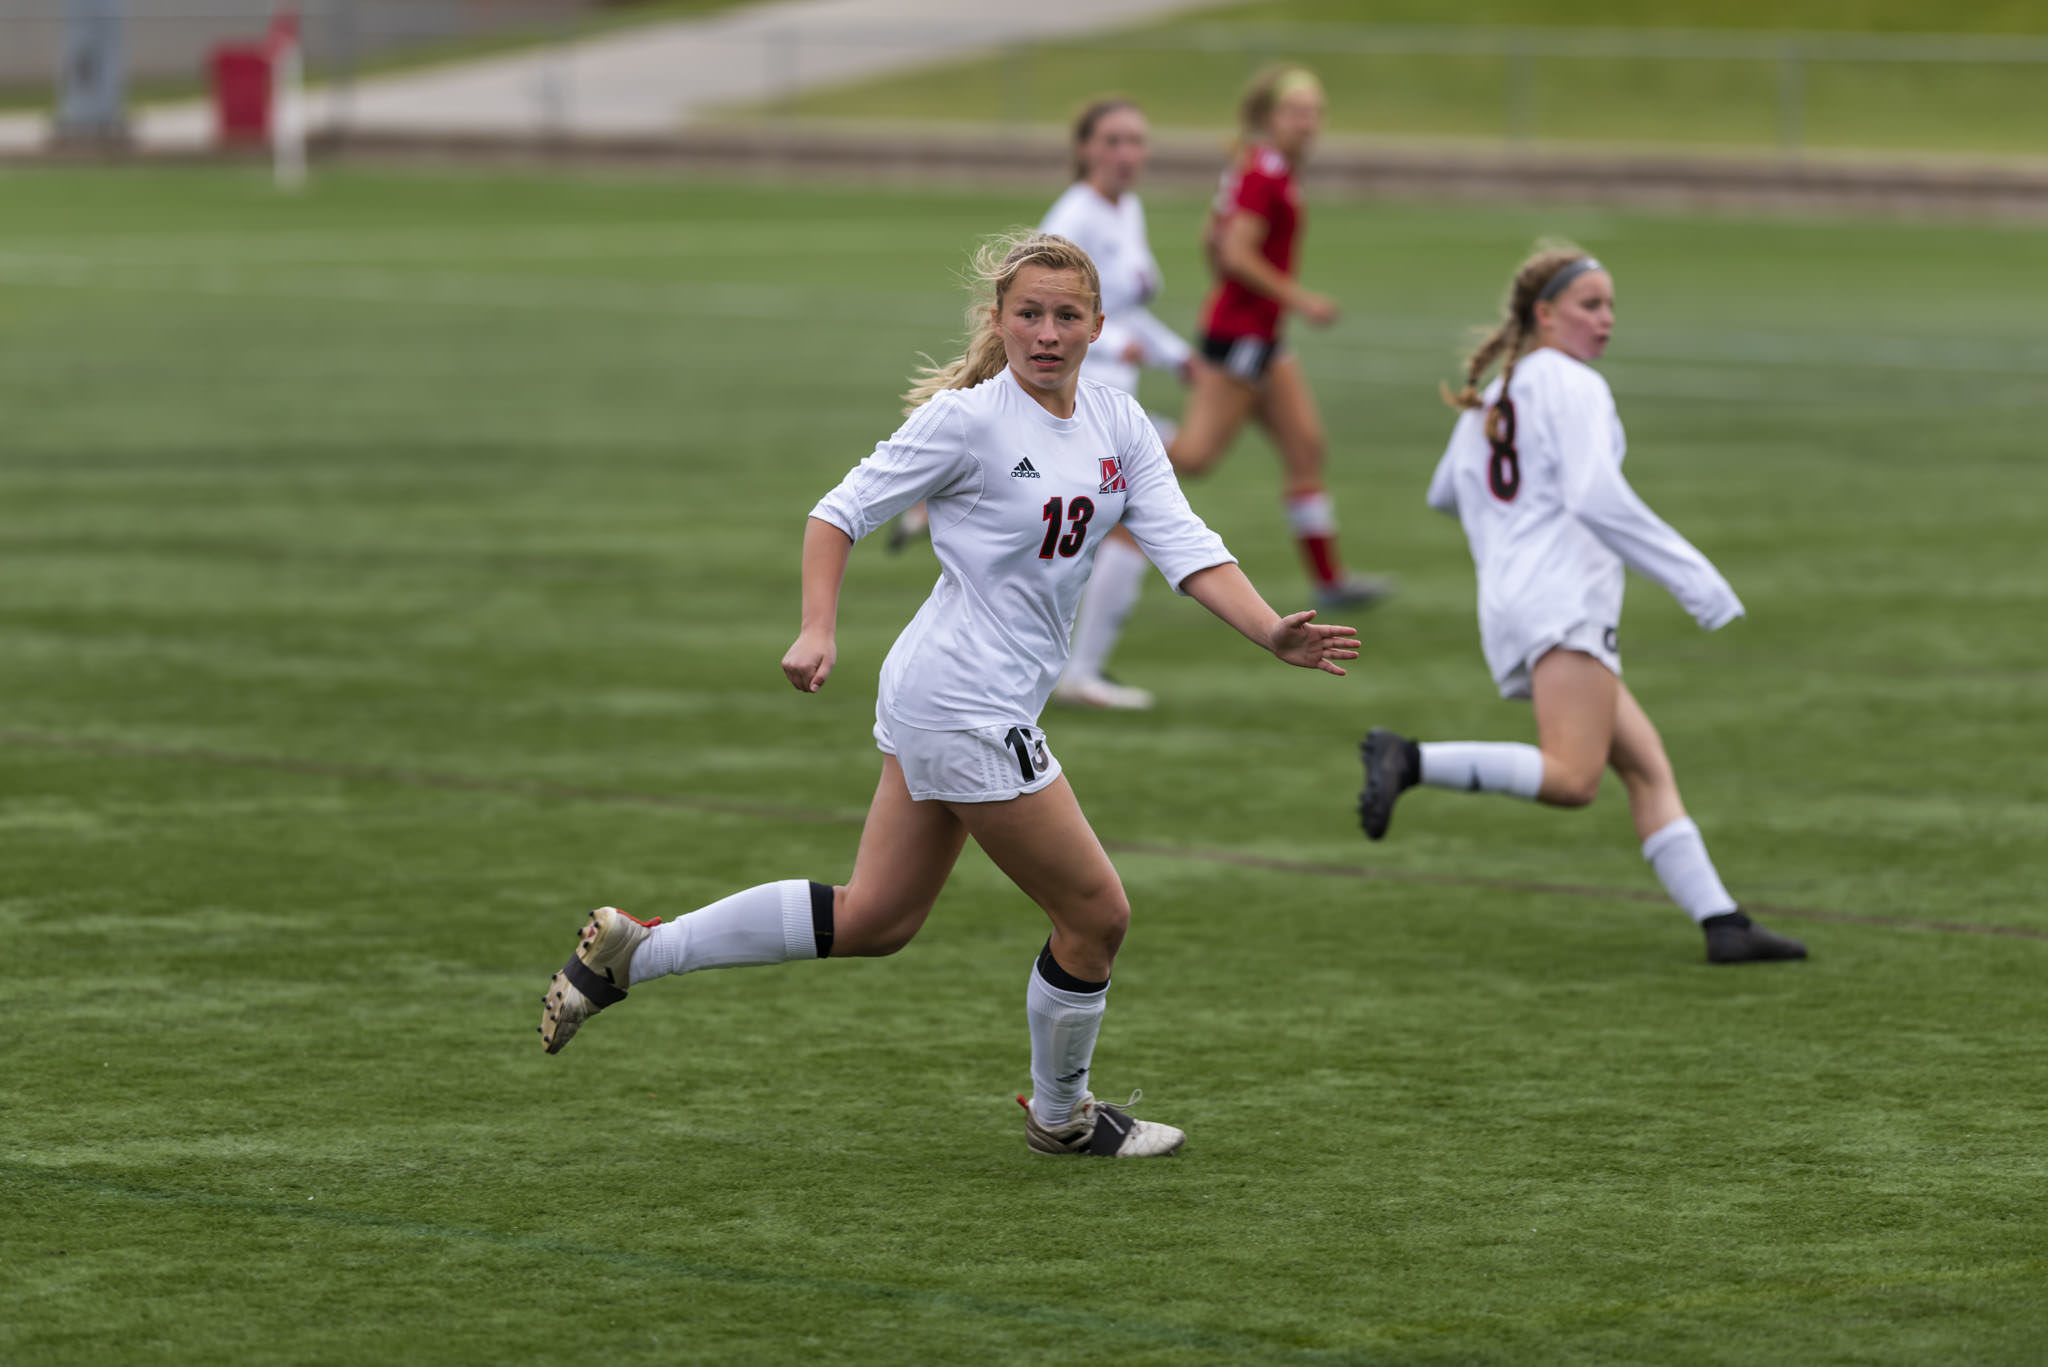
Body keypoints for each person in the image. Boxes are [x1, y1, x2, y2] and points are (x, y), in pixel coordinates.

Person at [540, 231, 1362, 1157]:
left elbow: (1183, 539)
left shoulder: (1121, 423)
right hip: (963, 704)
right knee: (1096, 914)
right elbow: (837, 512)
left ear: (1098, 326)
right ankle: (1063, 1117)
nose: (1046, 333)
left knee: (876, 918)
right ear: (1000, 322)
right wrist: (818, 626)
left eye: (1065, 316)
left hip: (959, 697)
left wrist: (1269, 630)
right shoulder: (969, 420)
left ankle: (636, 952)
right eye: (1028, 314)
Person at [1354, 244, 1806, 965]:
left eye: (1612, 306)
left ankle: (1723, 922)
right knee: (1573, 778)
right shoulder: (1573, 384)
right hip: (1565, 600)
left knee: (1647, 766)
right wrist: (1696, 579)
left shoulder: (1500, 392)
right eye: (1591, 305)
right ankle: (1409, 760)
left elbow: (1448, 491)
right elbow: (1595, 495)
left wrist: (1509, 537)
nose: (1608, 321)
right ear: (1545, 314)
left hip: (1514, 601)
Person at [1170, 65, 1390, 611]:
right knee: (1194, 457)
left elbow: (1211, 237)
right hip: (1242, 337)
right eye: (1297, 112)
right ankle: (1102, 454)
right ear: (1272, 117)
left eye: (1315, 112)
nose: (1308, 123)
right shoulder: (1265, 172)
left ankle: (1329, 581)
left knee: (1305, 448)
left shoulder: (1265, 167)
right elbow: (1235, 252)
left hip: (1264, 336)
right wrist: (1301, 298)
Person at [1038, 96, 1200, 710]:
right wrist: (1123, 347)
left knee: (1109, 527)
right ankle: (1077, 672)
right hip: (1081, 397)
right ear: (1084, 149)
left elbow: (1124, 313)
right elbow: (1042, 321)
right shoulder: (1072, 218)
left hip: (1115, 400)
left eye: (1137, 140)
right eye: (1113, 140)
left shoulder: (1124, 208)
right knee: (1129, 522)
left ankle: (1075, 669)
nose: (1127, 154)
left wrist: (1177, 355)